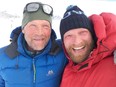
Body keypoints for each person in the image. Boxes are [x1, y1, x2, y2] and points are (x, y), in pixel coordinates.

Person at [0, 2, 67, 87]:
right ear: (23, 29)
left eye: (45, 26)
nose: (39, 32)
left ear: (51, 30)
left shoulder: (62, 52)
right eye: (33, 26)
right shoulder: (2, 57)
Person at [59, 5, 116, 87]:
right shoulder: (66, 70)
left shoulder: (113, 64)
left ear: (92, 35)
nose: (77, 41)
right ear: (63, 42)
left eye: (83, 33)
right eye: (69, 36)